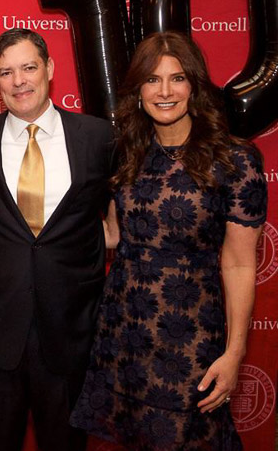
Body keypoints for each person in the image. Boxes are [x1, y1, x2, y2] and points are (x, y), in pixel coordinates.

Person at [70, 31, 266, 450]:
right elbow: (113, 235)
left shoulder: (234, 160)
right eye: (152, 80)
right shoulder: (128, 153)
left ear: (193, 86)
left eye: (176, 79)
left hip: (191, 335)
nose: (164, 91)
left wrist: (235, 353)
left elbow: (238, 263)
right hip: (125, 331)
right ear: (138, 90)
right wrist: (34, 225)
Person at [0, 28, 116, 451]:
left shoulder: (98, 137)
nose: (19, 82)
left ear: (49, 68)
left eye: (29, 68)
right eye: (6, 72)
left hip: (71, 324)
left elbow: (113, 203)